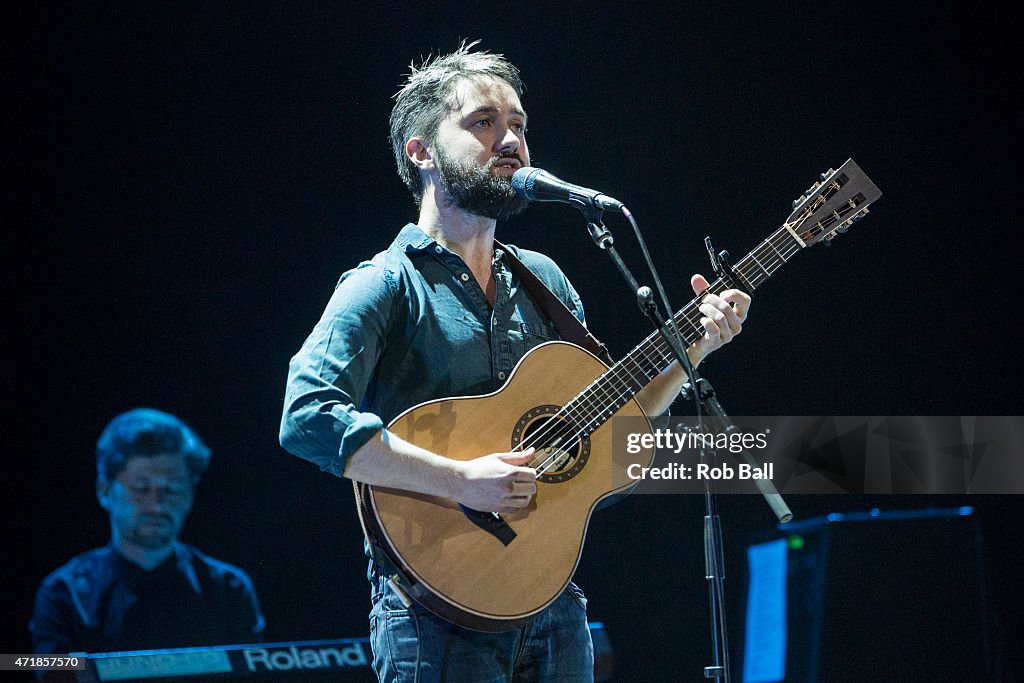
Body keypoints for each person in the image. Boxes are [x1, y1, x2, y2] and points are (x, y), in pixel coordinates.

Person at [279, 42, 750, 681]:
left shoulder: (545, 282)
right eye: (483, 123)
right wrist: (461, 481)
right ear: (421, 152)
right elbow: (306, 415)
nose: (511, 141)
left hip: (552, 604)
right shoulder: (384, 283)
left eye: (519, 126)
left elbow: (607, 424)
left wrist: (693, 347)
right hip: (432, 617)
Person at [30, 408, 265, 656]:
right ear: (104, 490)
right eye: (141, 488)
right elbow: (28, 666)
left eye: (172, 490)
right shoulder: (63, 593)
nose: (157, 504)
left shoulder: (229, 590)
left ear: (190, 496)